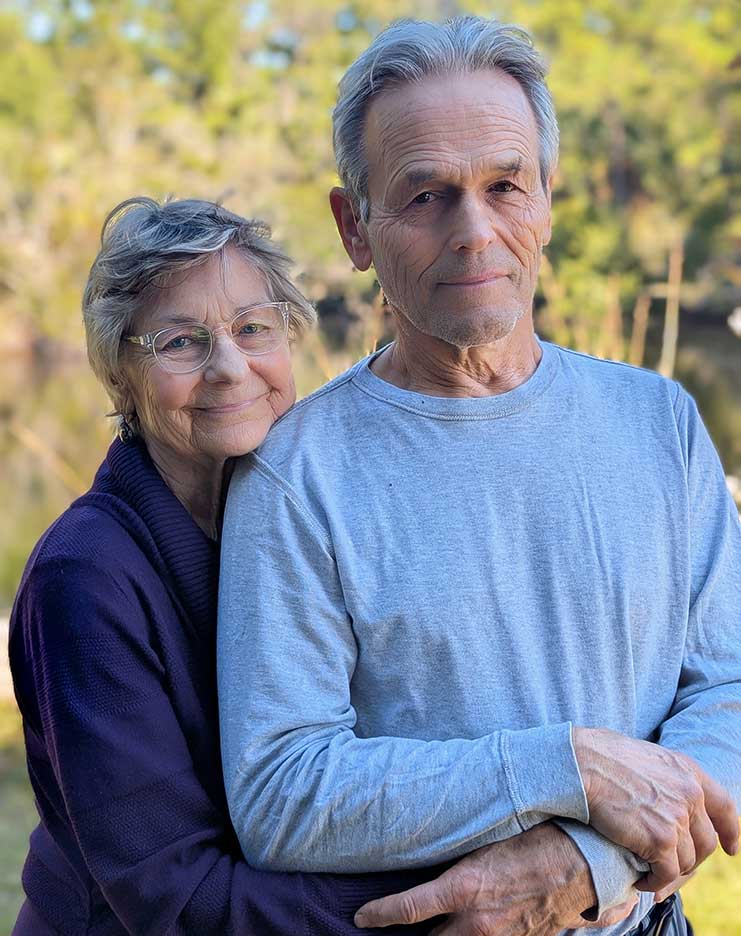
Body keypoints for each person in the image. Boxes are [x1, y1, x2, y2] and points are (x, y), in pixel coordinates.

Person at [217, 17, 741, 936]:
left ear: (546, 201)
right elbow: (281, 791)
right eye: (425, 196)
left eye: (504, 185)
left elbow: (729, 689)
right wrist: (563, 765)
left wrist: (588, 864)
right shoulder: (296, 473)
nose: (474, 231)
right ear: (354, 228)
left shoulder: (658, 421)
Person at [8, 196, 446, 935]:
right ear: (120, 375)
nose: (230, 368)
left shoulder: (322, 521)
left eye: (253, 328)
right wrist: (450, 897)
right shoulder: (85, 581)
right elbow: (177, 898)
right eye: (180, 342)